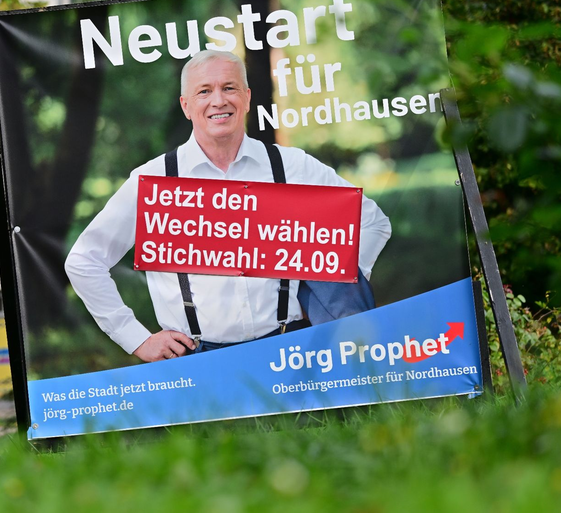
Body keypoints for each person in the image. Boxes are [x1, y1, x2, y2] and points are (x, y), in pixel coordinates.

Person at [65, 50, 392, 363]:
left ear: (247, 98)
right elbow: (84, 260)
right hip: (199, 361)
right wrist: (134, 337)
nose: (219, 100)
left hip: (292, 350)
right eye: (204, 91)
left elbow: (372, 222)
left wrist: (331, 289)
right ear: (186, 106)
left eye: (229, 88)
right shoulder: (154, 180)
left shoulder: (291, 166)